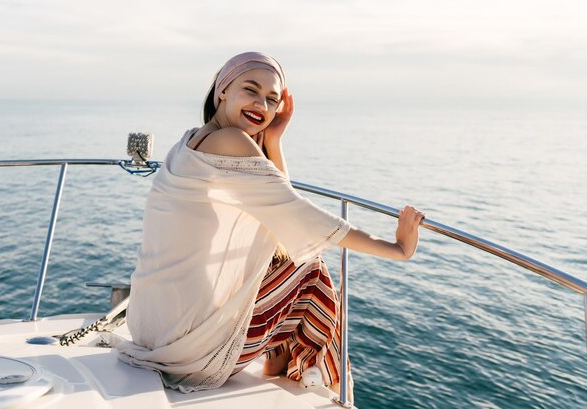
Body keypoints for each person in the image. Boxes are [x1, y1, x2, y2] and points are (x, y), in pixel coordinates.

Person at [116, 52, 425, 401]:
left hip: (149, 332)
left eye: (272, 99)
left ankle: (280, 367)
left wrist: (273, 141)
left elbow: (277, 209)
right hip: (189, 355)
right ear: (223, 90)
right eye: (251, 89)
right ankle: (328, 386)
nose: (261, 104)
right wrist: (396, 249)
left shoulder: (191, 140)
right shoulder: (231, 142)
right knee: (312, 272)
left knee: (278, 265)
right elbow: (296, 215)